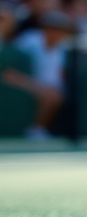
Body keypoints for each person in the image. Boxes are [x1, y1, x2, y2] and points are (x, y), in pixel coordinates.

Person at [1, 10, 75, 140]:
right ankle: (35, 130)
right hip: (28, 81)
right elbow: (13, 60)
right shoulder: (30, 41)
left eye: (59, 29)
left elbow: (61, 73)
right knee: (52, 96)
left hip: (49, 86)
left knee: (56, 95)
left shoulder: (64, 47)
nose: (54, 32)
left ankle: (38, 129)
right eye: (51, 27)